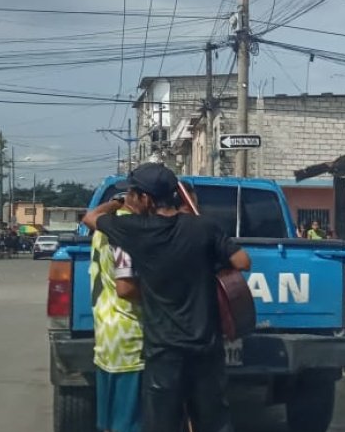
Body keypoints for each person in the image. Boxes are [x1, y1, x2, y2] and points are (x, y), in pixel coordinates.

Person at [82, 163, 252, 432]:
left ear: (145, 198)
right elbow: (242, 261)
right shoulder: (204, 227)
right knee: (214, 421)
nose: (128, 199)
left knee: (163, 424)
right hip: (206, 348)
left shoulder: (135, 230)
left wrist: (114, 204)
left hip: (164, 352)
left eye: (131, 194)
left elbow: (90, 219)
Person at [90, 203, 143, 432]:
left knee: (109, 422)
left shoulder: (102, 230)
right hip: (130, 338)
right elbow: (126, 287)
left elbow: (91, 216)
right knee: (128, 423)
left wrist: (115, 201)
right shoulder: (126, 233)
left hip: (107, 335)